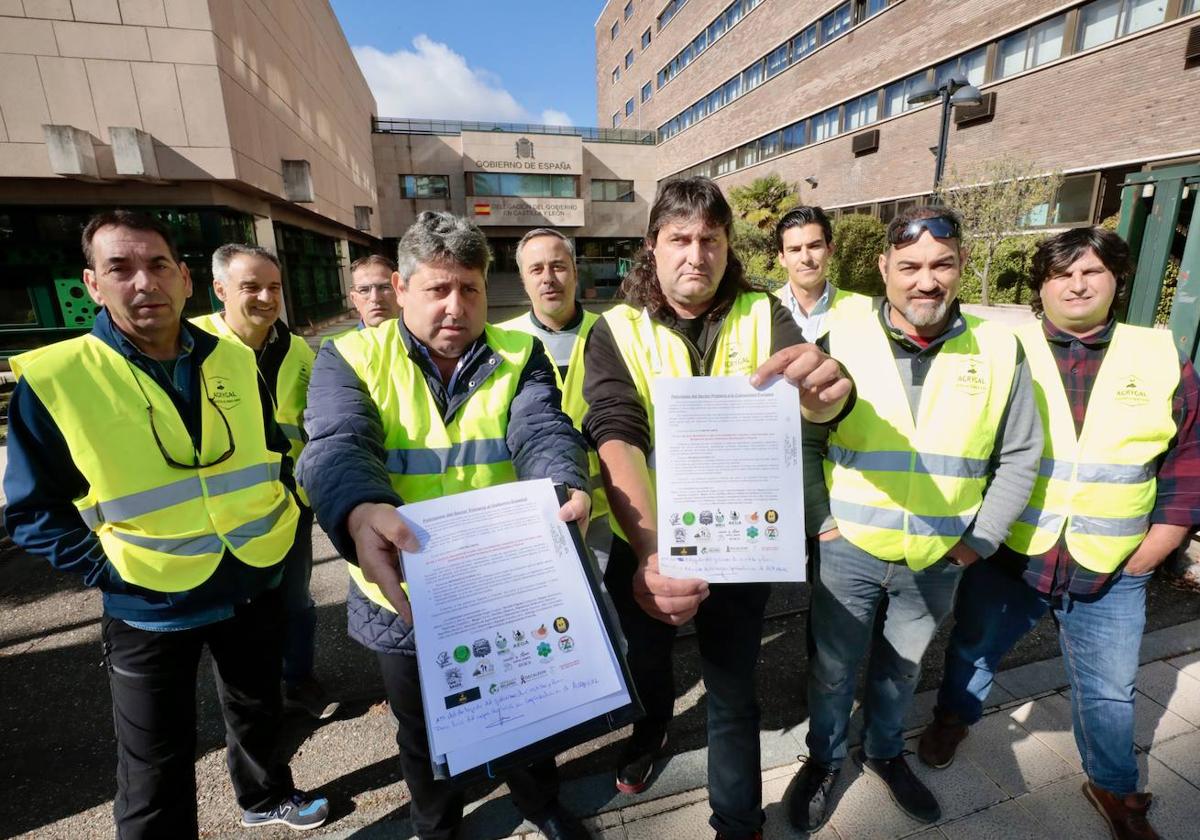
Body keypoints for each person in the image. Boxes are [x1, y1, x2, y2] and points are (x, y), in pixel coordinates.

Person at [3, 210, 327, 837]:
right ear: (93, 284)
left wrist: (283, 522)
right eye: (119, 268)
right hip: (150, 604)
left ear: (184, 279)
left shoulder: (232, 360)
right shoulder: (58, 377)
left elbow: (268, 455)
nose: (143, 282)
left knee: (258, 713)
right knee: (154, 764)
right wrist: (109, 571)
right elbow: (32, 511)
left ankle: (263, 800)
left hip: (252, 580)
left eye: (156, 266)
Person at [298, 211, 594, 840]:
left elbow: (541, 427)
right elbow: (337, 444)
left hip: (501, 580)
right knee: (423, 724)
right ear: (401, 290)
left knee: (526, 705)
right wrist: (358, 510)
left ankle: (540, 803)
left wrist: (565, 481)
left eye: (470, 289)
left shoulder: (520, 352)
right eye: (437, 289)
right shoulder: (348, 358)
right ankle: (436, 827)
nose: (455, 306)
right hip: (403, 590)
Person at [582, 177, 853, 840]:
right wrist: (649, 555)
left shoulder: (764, 313)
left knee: (733, 692)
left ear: (729, 247)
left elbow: (814, 386)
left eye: (711, 239)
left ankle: (737, 824)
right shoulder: (615, 329)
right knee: (648, 663)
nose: (695, 254)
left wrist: (828, 394)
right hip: (645, 542)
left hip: (741, 542)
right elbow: (616, 431)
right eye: (679, 239)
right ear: (653, 246)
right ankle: (649, 736)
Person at [920, 227, 1200, 840]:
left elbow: (1188, 455)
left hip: (1112, 562)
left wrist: (1164, 538)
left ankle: (1112, 787)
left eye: (1092, 271)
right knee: (972, 652)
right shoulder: (1001, 346)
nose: (1077, 284)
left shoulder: (1156, 354)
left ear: (1115, 280)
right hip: (1012, 552)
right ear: (1041, 285)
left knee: (1110, 690)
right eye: (1061, 273)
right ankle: (951, 718)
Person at [784, 206, 1042, 832]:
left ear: (958, 269)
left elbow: (1019, 453)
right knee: (833, 667)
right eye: (909, 266)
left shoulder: (1000, 347)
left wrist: (976, 543)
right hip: (848, 546)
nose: (925, 280)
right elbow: (802, 438)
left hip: (938, 556)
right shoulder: (840, 337)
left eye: (941, 264)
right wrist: (821, 522)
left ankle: (883, 752)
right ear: (883, 268)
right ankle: (822, 759)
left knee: (901, 669)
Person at [192, 244, 338, 720]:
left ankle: (298, 679)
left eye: (273, 287)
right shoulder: (192, 344)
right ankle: (253, 702)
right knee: (237, 615)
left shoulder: (296, 349)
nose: (264, 297)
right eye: (249, 286)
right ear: (220, 290)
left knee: (295, 600)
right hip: (219, 511)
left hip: (289, 504)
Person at [496, 228, 610, 567]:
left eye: (559, 266)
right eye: (536, 269)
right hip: (531, 510)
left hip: (610, 511)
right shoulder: (502, 342)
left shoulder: (612, 332)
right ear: (523, 279)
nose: (548, 278)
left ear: (575, 271)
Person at [773, 205, 874, 341]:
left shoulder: (864, 310)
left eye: (814, 246)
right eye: (795, 250)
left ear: (830, 249)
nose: (805, 258)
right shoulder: (763, 311)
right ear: (782, 258)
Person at [349, 254, 402, 327]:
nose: (375, 298)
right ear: (354, 300)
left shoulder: (421, 336)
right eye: (364, 290)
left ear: (401, 292)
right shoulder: (347, 339)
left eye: (384, 287)